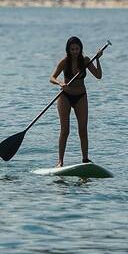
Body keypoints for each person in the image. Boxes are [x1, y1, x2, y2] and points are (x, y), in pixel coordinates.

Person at [49, 35, 103, 167]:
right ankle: (60, 161)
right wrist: (60, 83)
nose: (74, 52)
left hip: (81, 96)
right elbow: (52, 77)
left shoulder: (85, 60)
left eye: (77, 49)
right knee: (65, 130)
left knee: (83, 129)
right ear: (68, 49)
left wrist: (98, 60)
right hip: (65, 96)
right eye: (72, 49)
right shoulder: (65, 61)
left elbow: (98, 76)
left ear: (80, 48)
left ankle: (85, 159)